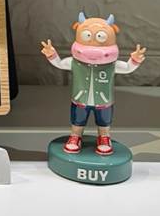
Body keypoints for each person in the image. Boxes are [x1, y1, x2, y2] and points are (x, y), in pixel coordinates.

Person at [40, 13, 146, 155]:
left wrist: (135, 60)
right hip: (80, 99)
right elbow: (59, 64)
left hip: (103, 100)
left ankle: (104, 138)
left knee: (104, 121)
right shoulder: (75, 63)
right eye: (87, 36)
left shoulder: (111, 65)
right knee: (78, 120)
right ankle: (75, 137)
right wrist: (51, 55)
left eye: (100, 36)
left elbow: (127, 68)